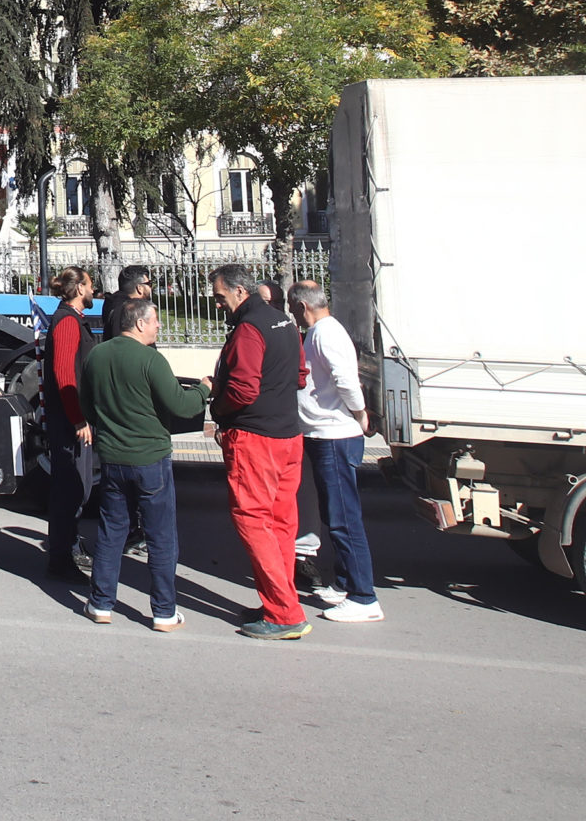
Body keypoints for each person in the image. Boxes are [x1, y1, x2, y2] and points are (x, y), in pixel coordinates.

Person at [78, 293, 207, 629]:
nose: (159, 326)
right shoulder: (151, 360)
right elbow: (181, 404)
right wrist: (205, 390)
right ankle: (163, 610)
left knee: (111, 531)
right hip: (150, 458)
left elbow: (88, 406)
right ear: (138, 323)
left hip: (112, 458)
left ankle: (101, 603)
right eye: (154, 320)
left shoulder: (96, 357)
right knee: (161, 535)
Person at [209, 264, 311, 640]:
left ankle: (284, 611)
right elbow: (300, 374)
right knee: (280, 523)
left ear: (239, 292)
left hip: (256, 438)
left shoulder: (249, 329)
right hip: (287, 434)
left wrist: (218, 408)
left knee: (254, 520)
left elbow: (243, 390)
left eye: (221, 297)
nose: (219, 305)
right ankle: (279, 600)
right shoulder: (282, 322)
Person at [290, 280, 381, 623]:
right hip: (323, 433)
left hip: (334, 436)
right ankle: (345, 584)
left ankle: (364, 597)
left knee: (344, 519)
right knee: (335, 515)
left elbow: (345, 380)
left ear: (302, 307)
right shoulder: (320, 333)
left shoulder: (326, 334)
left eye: (292, 306)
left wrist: (359, 414)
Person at [39, 264, 99, 581]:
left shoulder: (73, 320)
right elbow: (65, 375)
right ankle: (61, 559)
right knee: (68, 489)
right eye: (89, 285)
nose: (92, 290)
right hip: (69, 423)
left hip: (74, 420)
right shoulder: (66, 322)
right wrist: (78, 420)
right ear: (78, 289)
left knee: (77, 488)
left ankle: (68, 549)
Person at [100, 264, 153, 341]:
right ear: (140, 288)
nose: (150, 288)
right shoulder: (127, 311)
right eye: (149, 284)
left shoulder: (113, 304)